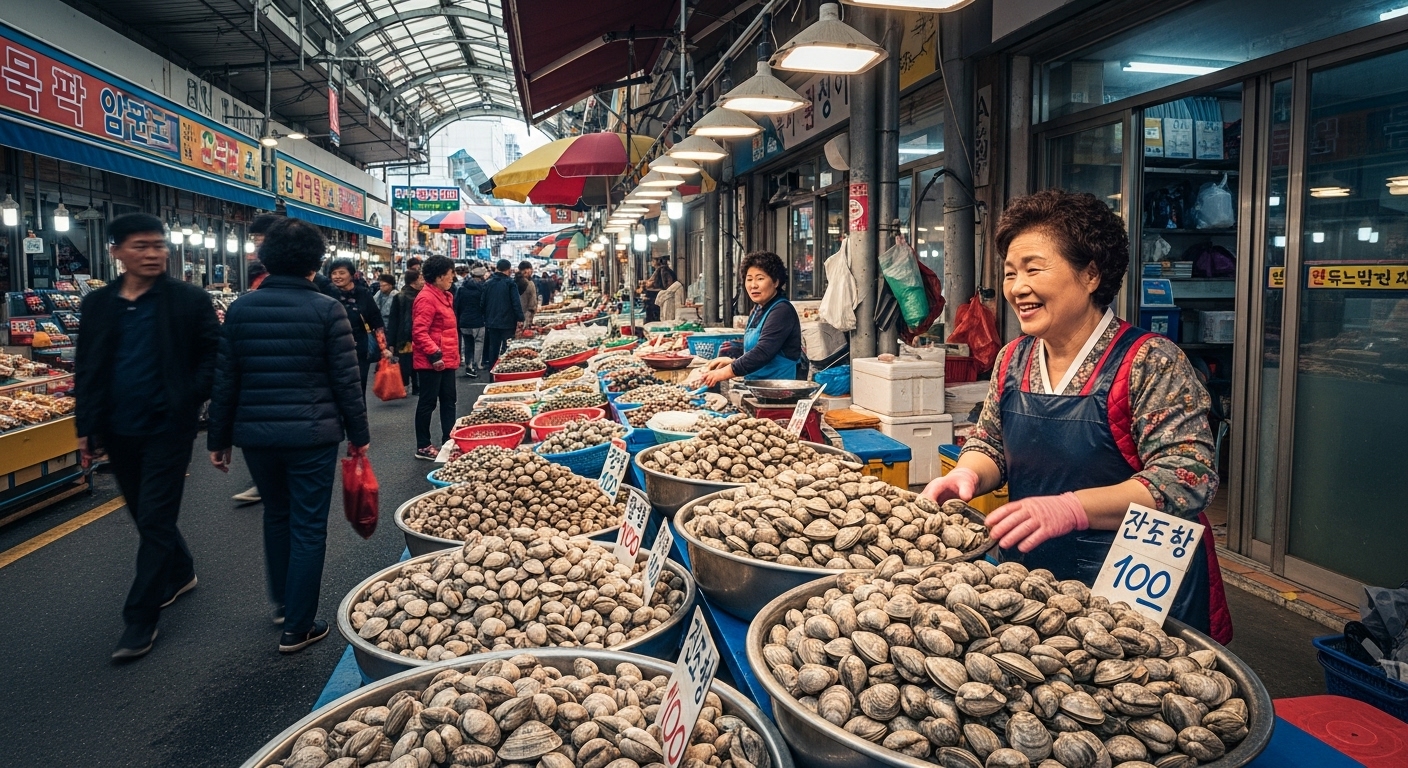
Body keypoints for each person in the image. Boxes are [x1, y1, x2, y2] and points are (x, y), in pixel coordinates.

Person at [920, 189, 1230, 641]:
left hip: (1134, 588)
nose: (1016, 287)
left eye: (1033, 269)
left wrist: (1071, 508)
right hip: (1033, 579)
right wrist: (968, 474)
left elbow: (1186, 479)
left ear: (1089, 274)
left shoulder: (1149, 361)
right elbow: (990, 441)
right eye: (1009, 273)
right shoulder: (1012, 359)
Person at [207, 218, 370, 654]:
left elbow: (226, 379)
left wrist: (217, 439)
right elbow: (346, 381)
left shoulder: (241, 308)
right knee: (309, 526)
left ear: (266, 259)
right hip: (312, 435)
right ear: (315, 264)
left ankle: (282, 606)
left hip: (257, 437)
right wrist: (359, 434)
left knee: (276, 515)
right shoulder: (326, 309)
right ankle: (298, 625)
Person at [75, 214, 220, 660]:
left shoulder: (188, 300)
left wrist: (190, 399)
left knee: (155, 518)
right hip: (119, 429)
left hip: (168, 429)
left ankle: (140, 619)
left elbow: (214, 357)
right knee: (143, 514)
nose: (154, 253)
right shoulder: (98, 305)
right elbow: (88, 368)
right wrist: (86, 428)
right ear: (116, 251)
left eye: (159, 245)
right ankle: (180, 571)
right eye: (141, 245)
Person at [702, 251, 802, 386]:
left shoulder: (782, 311)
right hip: (756, 386)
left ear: (776, 282)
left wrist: (725, 372)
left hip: (780, 389)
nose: (753, 285)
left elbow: (763, 352)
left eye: (760, 279)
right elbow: (753, 351)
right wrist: (733, 361)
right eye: (749, 279)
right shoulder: (757, 310)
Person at [411, 256, 460, 459]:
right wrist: (434, 353)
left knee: (449, 400)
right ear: (439, 276)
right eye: (450, 274)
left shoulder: (443, 296)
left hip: (447, 359)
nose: (452, 278)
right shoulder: (426, 298)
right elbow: (419, 331)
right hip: (432, 361)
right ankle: (423, 446)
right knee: (428, 403)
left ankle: (449, 441)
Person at [326, 257, 392, 396]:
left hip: (359, 349)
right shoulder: (326, 294)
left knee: (358, 387)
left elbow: (376, 322)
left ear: (351, 274)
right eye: (334, 273)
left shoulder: (363, 293)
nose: (337, 277)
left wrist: (383, 347)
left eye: (341, 273)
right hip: (333, 348)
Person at [481, 258, 524, 371]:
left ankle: (492, 372)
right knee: (507, 349)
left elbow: (482, 303)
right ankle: (505, 371)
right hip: (508, 322)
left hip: (491, 322)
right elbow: (516, 302)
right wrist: (520, 318)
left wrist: (486, 317)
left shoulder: (487, 283)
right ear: (508, 270)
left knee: (493, 349)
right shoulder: (510, 283)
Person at [388, 269, 423, 395]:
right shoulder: (404, 297)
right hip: (411, 335)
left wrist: (391, 341)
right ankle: (414, 386)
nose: (423, 281)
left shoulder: (400, 296)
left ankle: (407, 385)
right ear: (414, 281)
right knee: (412, 361)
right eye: (421, 279)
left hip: (403, 335)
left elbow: (393, 320)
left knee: (407, 360)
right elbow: (394, 319)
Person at [455, 265, 487, 378]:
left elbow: (456, 306)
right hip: (478, 322)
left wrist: (458, 319)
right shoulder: (482, 290)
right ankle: (475, 364)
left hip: (464, 322)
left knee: (468, 344)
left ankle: (468, 365)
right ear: (481, 277)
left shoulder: (461, 289)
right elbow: (484, 306)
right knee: (478, 343)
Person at [643, 255, 678, 322]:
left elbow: (667, 285)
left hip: (664, 296)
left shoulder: (663, 270)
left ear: (657, 261)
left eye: (653, 261)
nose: (651, 263)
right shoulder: (660, 270)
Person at [516, 260, 539, 331]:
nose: (532, 271)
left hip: (514, 319)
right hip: (526, 317)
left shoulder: (512, 283)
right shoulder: (530, 284)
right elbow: (532, 304)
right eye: (531, 269)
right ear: (527, 271)